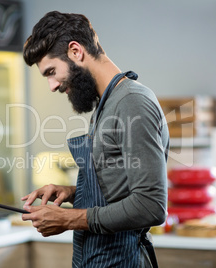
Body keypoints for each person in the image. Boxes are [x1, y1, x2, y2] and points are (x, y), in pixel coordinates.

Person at [21, 11, 169, 268]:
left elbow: (150, 205)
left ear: (76, 51)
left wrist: (68, 219)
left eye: (52, 71)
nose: (52, 85)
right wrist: (71, 194)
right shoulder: (106, 104)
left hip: (123, 260)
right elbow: (119, 189)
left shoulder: (132, 102)